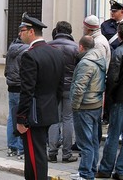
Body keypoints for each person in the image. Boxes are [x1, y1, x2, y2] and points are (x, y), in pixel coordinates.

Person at [16, 12, 64, 180]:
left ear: (31, 31)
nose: (19, 34)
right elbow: (60, 87)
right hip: (48, 110)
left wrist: (21, 118)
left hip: (33, 114)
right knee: (34, 154)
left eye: (22, 30)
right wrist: (51, 105)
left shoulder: (30, 55)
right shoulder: (56, 53)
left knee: (35, 156)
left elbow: (27, 90)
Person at [96, 21, 123, 180]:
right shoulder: (121, 51)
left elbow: (113, 80)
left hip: (121, 100)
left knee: (113, 135)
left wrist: (109, 98)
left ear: (121, 34)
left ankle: (105, 169)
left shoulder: (119, 52)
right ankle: (121, 171)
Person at [70, 35, 106, 180]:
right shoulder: (99, 58)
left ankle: (85, 173)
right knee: (93, 141)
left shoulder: (85, 63)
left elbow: (79, 87)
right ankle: (90, 169)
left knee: (85, 142)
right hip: (96, 104)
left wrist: (75, 106)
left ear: (81, 47)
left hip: (84, 106)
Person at [47, 21, 79, 163]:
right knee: (68, 119)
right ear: (70, 32)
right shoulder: (76, 48)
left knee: (54, 119)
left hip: (52, 87)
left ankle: (52, 152)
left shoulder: (49, 46)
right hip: (69, 87)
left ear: (57, 30)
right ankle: (66, 153)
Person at [83, 15, 111, 129]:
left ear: (89, 28)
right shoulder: (98, 39)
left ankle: (92, 143)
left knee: (93, 118)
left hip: (95, 84)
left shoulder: (98, 42)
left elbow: (97, 65)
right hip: (96, 82)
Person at [4, 37, 28, 159]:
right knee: (22, 117)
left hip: (11, 86)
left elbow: (6, 71)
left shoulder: (10, 50)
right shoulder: (27, 50)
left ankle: (11, 146)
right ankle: (21, 148)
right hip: (21, 87)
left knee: (11, 117)